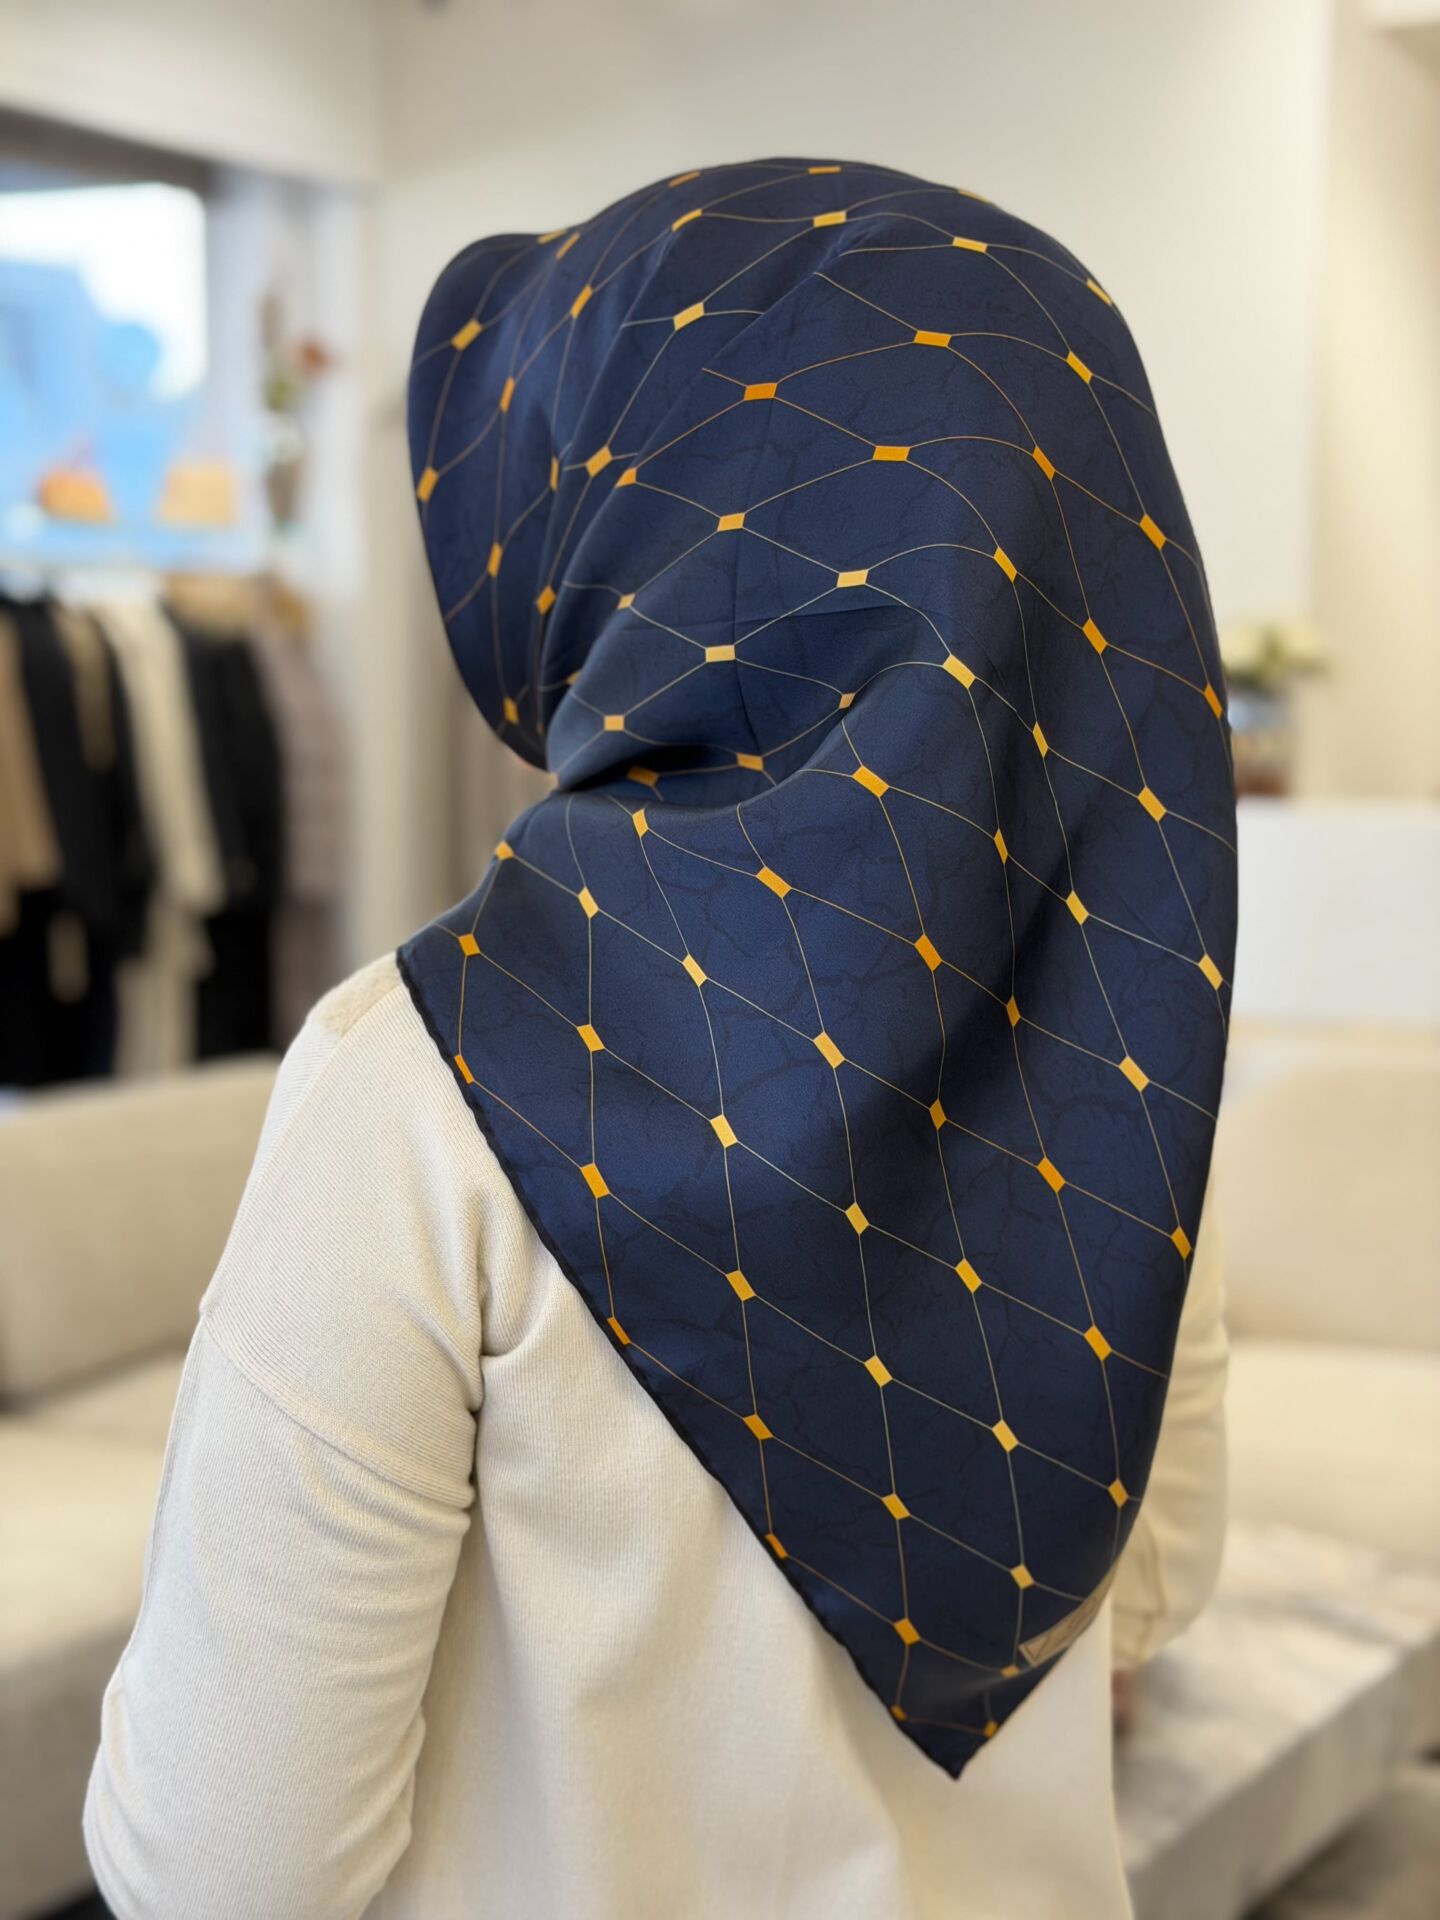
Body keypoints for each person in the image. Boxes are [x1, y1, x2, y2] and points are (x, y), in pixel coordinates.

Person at [84, 158, 1236, 1920]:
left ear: (628, 532)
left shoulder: (423, 1080)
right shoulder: (1113, 1036)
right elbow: (1146, 1589)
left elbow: (223, 1864)